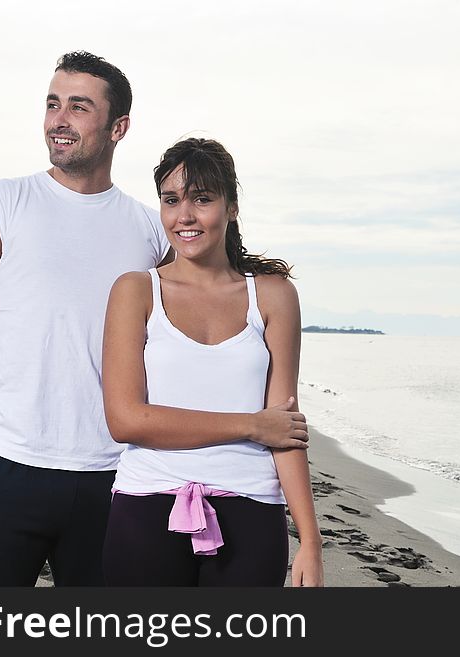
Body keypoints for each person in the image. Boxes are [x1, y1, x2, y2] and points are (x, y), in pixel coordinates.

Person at [0, 52, 309, 587]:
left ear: (118, 127)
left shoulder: (148, 227)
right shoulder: (0, 203)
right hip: (8, 463)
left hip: (113, 476)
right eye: (52, 104)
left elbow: (204, 305)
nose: (59, 120)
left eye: (79, 107)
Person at [101, 137, 324, 587]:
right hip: (146, 507)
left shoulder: (273, 294)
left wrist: (311, 541)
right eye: (171, 200)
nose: (184, 216)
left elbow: (285, 429)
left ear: (231, 207)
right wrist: (250, 424)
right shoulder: (135, 290)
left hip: (253, 510)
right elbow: (125, 420)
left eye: (202, 199)